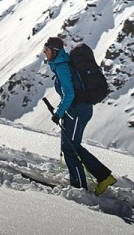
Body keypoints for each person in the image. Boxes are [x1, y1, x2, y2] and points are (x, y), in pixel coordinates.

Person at [43, 36, 115, 195]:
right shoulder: (61, 64)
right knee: (71, 146)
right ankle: (103, 176)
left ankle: (79, 187)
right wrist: (63, 112)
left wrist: (59, 113)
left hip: (78, 111)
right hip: (74, 111)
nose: (44, 52)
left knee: (70, 148)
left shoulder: (62, 67)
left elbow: (69, 94)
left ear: (55, 51)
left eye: (46, 50)